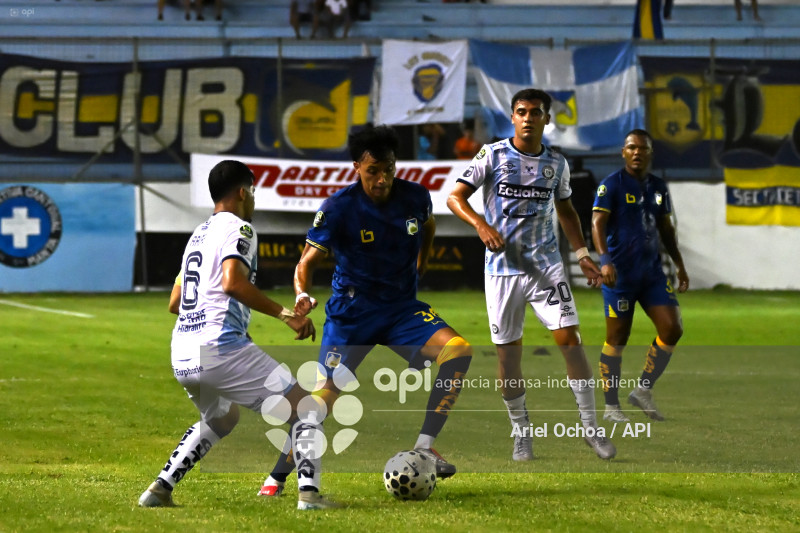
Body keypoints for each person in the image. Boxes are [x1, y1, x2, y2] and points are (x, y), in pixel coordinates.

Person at [259, 125, 472, 496]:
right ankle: (276, 478)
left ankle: (424, 446)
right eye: (373, 170)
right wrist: (302, 294)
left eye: (388, 168)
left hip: (401, 309)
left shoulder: (416, 197)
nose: (382, 178)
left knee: (458, 351)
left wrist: (421, 264)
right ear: (357, 166)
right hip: (351, 315)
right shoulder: (339, 209)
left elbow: (430, 227)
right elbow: (306, 262)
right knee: (322, 400)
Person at [137, 160, 339, 510]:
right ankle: (309, 495)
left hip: (183, 352)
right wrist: (285, 315)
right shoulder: (240, 230)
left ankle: (159, 489)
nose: (254, 200)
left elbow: (174, 302)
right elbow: (232, 282)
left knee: (222, 418)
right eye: (254, 192)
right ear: (243, 192)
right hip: (220, 349)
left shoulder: (197, 237)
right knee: (307, 411)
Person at [447, 88, 616, 462]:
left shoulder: (557, 163)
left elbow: (567, 212)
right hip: (502, 271)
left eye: (535, 112)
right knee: (508, 358)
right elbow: (454, 198)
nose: (527, 117)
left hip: (546, 267)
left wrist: (583, 254)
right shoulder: (492, 155)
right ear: (512, 117)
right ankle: (521, 433)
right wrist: (480, 225)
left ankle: (591, 428)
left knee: (571, 342)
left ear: (546, 119)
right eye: (521, 111)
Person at [591, 129, 689, 423]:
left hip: (652, 275)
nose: (637, 152)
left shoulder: (658, 187)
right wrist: (605, 261)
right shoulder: (612, 185)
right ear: (623, 152)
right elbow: (597, 223)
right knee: (617, 338)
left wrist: (679, 263)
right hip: (620, 277)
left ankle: (643, 390)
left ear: (650, 153)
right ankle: (611, 407)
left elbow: (665, 229)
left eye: (643, 148)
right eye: (631, 147)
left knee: (673, 328)